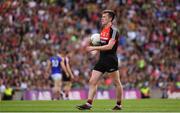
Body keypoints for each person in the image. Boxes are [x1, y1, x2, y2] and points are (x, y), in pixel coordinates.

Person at [76, 10, 123, 110]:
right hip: (102, 59)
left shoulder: (114, 31)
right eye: (102, 16)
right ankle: (89, 103)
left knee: (116, 83)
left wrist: (94, 48)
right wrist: (94, 51)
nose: (102, 18)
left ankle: (118, 104)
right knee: (92, 81)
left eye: (104, 17)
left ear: (110, 18)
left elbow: (110, 46)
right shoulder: (102, 30)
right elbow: (101, 45)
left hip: (111, 60)